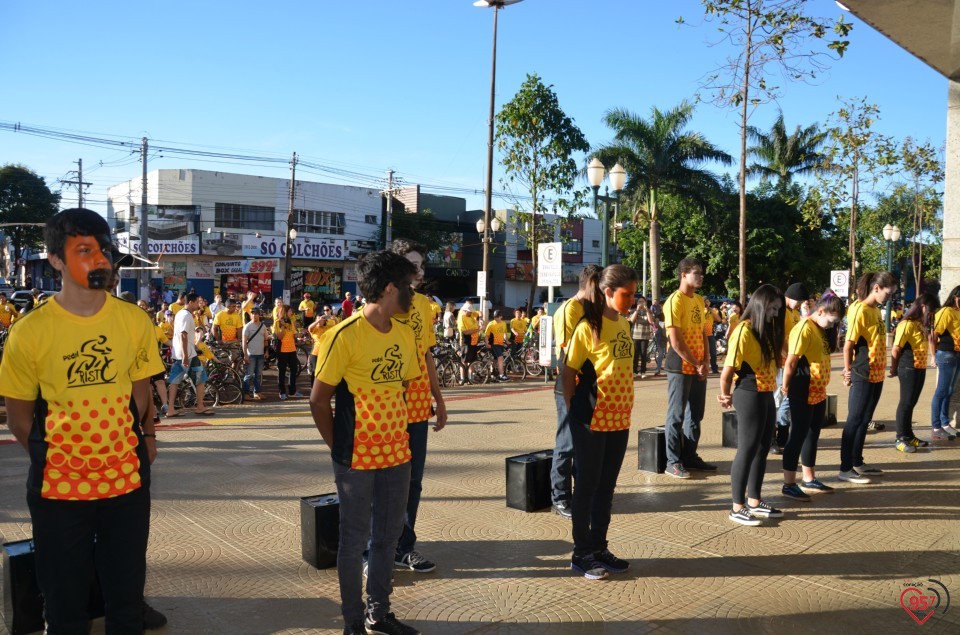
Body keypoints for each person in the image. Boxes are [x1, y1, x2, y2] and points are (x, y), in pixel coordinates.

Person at [0, 208, 166, 632]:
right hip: (58, 490)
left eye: (104, 250)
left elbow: (139, 388)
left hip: (126, 483)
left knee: (126, 600)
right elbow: (19, 416)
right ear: (56, 259)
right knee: (64, 605)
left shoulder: (133, 320)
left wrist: (146, 435)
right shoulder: (29, 332)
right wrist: (56, 455)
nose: (100, 260)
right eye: (85, 251)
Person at [309, 250, 422, 635]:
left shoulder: (405, 333)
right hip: (355, 457)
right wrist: (338, 446)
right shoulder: (343, 335)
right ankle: (353, 620)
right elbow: (318, 400)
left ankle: (379, 612)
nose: (412, 292)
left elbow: (402, 387)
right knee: (353, 539)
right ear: (390, 288)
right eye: (407, 285)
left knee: (388, 537)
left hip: (397, 453)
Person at [562, 264, 638, 579]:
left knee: (606, 487)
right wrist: (573, 415)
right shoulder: (586, 327)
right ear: (608, 292)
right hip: (590, 420)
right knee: (588, 487)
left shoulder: (622, 324)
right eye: (626, 294)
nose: (632, 300)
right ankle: (581, 554)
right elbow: (567, 374)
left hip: (619, 418)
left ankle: (599, 547)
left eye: (633, 293)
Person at [387, 238, 449, 574]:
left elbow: (426, 354)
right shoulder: (380, 303)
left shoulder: (424, 305)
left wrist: (438, 400)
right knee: (383, 481)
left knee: (413, 481)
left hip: (416, 408)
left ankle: (404, 547)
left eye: (422, 266)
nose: (420, 272)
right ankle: (376, 548)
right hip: (384, 408)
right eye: (414, 265)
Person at [717, 284, 785, 525]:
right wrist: (724, 394)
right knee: (747, 448)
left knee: (763, 447)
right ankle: (737, 506)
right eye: (773, 308)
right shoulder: (743, 331)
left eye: (778, 310)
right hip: (749, 393)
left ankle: (754, 500)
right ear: (761, 304)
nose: (775, 314)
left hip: (766, 393)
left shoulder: (764, 331)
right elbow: (728, 371)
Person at [779, 292, 845, 500]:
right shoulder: (803, 328)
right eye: (831, 320)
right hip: (803, 387)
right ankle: (789, 483)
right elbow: (791, 361)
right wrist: (785, 386)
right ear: (821, 311)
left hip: (818, 389)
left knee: (812, 434)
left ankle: (809, 478)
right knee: (797, 434)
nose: (831, 325)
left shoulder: (821, 330)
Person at [550, 265, 603, 519]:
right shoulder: (569, 310)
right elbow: (571, 352)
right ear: (591, 283)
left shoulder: (590, 309)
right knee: (566, 443)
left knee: (583, 444)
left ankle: (581, 492)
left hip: (589, 387)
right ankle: (559, 497)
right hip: (569, 387)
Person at [840, 272, 897, 483]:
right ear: (876, 288)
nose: (889, 297)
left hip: (876, 372)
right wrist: (847, 371)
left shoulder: (875, 311)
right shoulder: (859, 309)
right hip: (862, 372)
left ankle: (857, 462)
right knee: (854, 420)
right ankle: (845, 468)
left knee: (865, 419)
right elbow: (848, 345)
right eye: (888, 293)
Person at [662, 257, 716, 478]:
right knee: (676, 415)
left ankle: (690, 456)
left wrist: (705, 362)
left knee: (696, 414)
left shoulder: (699, 300)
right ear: (683, 275)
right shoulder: (674, 301)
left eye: (701, 272)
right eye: (696, 272)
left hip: (698, 366)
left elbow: (704, 332)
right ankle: (672, 461)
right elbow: (676, 341)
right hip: (679, 366)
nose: (701, 276)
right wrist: (696, 363)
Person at [891, 293, 939, 452]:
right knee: (905, 403)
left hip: (919, 367)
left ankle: (909, 435)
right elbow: (896, 348)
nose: (931, 315)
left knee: (911, 402)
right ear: (923, 307)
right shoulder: (907, 324)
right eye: (931, 311)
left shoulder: (920, 324)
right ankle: (900, 438)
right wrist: (893, 367)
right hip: (908, 368)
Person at [773, 283, 809, 455]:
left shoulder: (795, 313)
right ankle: (772, 437)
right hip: (781, 363)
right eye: (798, 301)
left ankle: (783, 434)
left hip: (792, 362)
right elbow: (778, 338)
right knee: (777, 399)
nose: (799, 304)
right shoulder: (781, 312)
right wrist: (787, 356)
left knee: (787, 400)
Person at [166, 293, 214, 418]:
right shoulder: (186, 315)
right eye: (197, 302)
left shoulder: (181, 314)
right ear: (191, 302)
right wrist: (186, 355)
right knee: (201, 379)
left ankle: (170, 408)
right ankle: (200, 406)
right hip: (188, 355)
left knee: (174, 381)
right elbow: (183, 335)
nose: (199, 304)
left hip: (179, 354)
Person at [929, 285, 960, 440]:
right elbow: (934, 335)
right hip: (946, 354)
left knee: (949, 391)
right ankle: (936, 426)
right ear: (954, 296)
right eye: (959, 298)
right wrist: (933, 355)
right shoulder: (946, 311)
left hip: (957, 355)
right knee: (941, 391)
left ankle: (945, 423)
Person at [273, 304, 301, 400]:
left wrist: (301, 334)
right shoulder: (277, 322)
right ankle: (282, 392)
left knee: (294, 370)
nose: (291, 313)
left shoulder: (291, 322)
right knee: (282, 371)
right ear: (285, 312)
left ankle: (292, 391)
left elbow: (294, 334)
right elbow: (279, 337)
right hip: (282, 350)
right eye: (289, 311)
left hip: (292, 349)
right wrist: (283, 326)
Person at [242, 307, 270, 400]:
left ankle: (257, 392)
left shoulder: (263, 326)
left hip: (260, 354)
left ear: (259, 315)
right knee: (248, 375)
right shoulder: (247, 326)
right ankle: (245, 393)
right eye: (252, 313)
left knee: (258, 374)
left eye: (256, 313)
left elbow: (266, 340)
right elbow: (244, 342)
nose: (254, 315)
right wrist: (245, 354)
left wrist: (266, 351)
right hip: (251, 354)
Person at [629, 296, 655, 378]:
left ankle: (643, 372)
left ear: (645, 303)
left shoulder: (649, 311)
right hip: (635, 336)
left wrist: (646, 310)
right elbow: (632, 320)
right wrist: (637, 310)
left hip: (645, 336)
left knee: (644, 354)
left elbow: (651, 321)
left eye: (642, 302)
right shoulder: (634, 311)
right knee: (635, 354)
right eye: (639, 302)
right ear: (637, 303)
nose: (641, 303)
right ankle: (634, 371)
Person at [456, 300, 480, 384]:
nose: (470, 313)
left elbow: (477, 314)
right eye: (469, 312)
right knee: (464, 360)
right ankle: (463, 378)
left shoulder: (471, 315)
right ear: (465, 310)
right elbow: (465, 332)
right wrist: (476, 330)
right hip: (466, 341)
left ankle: (471, 378)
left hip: (474, 341)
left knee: (472, 360)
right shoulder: (461, 317)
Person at [484, 310, 510, 382]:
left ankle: (494, 373)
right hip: (494, 344)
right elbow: (486, 335)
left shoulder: (504, 324)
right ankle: (501, 375)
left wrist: (507, 341)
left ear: (501, 317)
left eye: (497, 317)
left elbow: (504, 333)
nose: (496, 318)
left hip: (501, 344)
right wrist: (487, 343)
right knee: (500, 358)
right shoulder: (491, 324)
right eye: (495, 317)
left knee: (496, 360)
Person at [704, 298, 720, 374]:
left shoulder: (713, 311)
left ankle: (714, 369)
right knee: (703, 353)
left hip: (710, 335)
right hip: (702, 336)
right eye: (705, 302)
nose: (707, 303)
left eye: (708, 302)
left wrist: (711, 310)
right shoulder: (700, 310)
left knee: (713, 353)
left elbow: (719, 319)